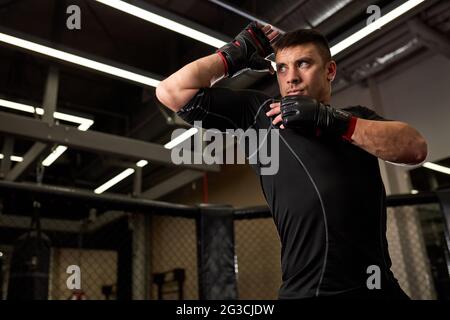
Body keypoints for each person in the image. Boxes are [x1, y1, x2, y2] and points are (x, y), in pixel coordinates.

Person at [156, 22, 428, 299]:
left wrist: (331, 120)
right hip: (307, 292)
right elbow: (171, 92)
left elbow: (415, 148)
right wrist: (234, 55)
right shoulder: (261, 116)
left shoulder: (358, 118)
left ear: (329, 71)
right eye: (282, 68)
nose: (291, 77)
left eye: (304, 64)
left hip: (378, 287)